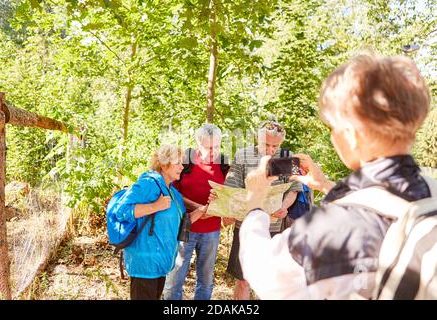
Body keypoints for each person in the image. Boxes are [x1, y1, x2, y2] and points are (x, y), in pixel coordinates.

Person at [239, 53, 434, 299]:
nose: (333, 137)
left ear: (351, 134)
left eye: (332, 128)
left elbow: (260, 271)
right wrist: (324, 185)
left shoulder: (329, 228)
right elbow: (383, 208)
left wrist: (255, 202)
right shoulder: (431, 191)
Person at [113, 144, 207, 300]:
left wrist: (202, 210)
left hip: (160, 265)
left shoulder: (172, 191)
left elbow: (182, 223)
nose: (182, 167)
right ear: (164, 164)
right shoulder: (148, 183)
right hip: (145, 264)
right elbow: (121, 211)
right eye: (178, 163)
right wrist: (154, 206)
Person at [224, 119, 304, 299]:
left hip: (276, 228)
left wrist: (284, 207)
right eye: (266, 144)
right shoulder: (243, 155)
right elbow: (232, 189)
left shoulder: (287, 157)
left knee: (272, 282)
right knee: (243, 279)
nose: (270, 149)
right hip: (246, 226)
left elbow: (294, 190)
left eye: (274, 145)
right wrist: (227, 213)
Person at [163, 124, 229, 300]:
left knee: (206, 281)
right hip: (186, 227)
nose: (213, 151)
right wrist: (198, 208)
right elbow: (173, 194)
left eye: (216, 146)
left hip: (212, 231)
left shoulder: (224, 164)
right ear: (198, 143)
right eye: (208, 147)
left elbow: (230, 196)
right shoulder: (186, 162)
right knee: (174, 279)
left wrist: (214, 210)